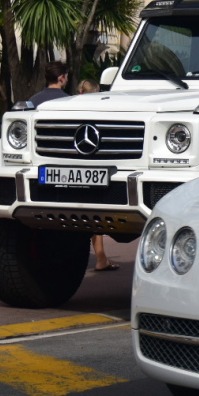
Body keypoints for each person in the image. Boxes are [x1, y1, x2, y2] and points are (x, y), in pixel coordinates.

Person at [76, 78, 120, 271]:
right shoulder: (98, 111)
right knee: (94, 216)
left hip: (74, 167)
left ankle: (101, 257)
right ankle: (101, 258)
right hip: (94, 167)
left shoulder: (71, 108)